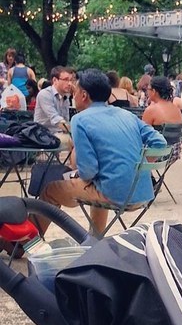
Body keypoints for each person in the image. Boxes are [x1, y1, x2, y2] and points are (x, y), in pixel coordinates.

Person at [38, 69, 167, 235]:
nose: (73, 96)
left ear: (84, 95)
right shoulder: (126, 115)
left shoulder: (80, 119)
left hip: (114, 195)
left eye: (75, 92)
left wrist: (76, 173)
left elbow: (89, 171)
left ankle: (23, 244)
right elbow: (161, 143)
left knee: (50, 190)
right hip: (142, 192)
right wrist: (139, 165)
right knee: (101, 182)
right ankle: (95, 239)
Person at [33, 66, 74, 148]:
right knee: (75, 140)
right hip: (42, 135)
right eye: (66, 80)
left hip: (58, 133)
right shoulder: (44, 94)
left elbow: (66, 120)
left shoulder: (66, 96)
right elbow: (56, 119)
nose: (70, 84)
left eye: (71, 80)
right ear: (55, 80)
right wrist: (76, 131)